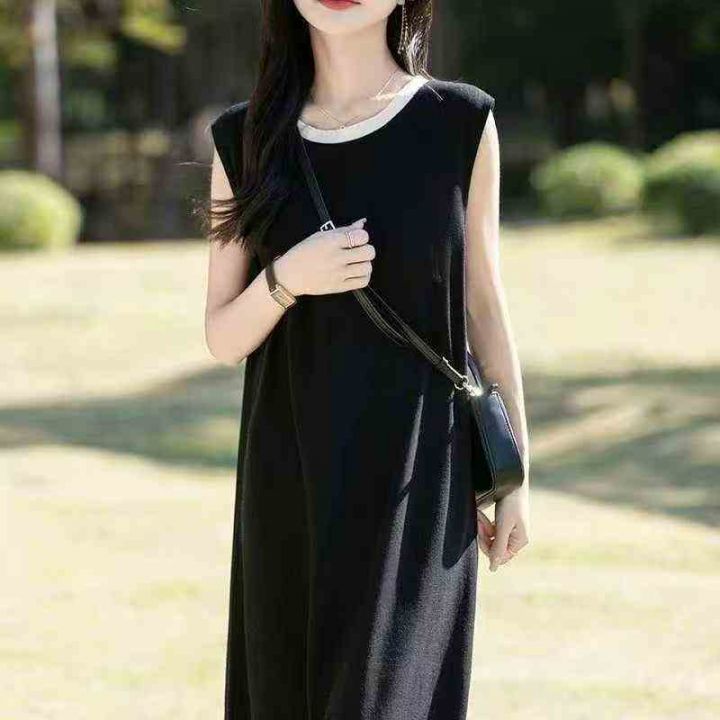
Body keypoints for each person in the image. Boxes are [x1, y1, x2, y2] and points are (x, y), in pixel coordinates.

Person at [204, 1, 530, 718]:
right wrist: (289, 276)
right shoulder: (245, 139)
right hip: (290, 483)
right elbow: (223, 336)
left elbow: (484, 308)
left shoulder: (459, 121)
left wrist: (514, 476)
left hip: (419, 481)